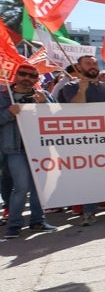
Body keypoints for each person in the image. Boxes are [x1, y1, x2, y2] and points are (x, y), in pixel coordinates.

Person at [58, 55, 105, 225]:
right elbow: (74, 108)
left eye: (94, 63)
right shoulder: (71, 87)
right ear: (79, 67)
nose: (93, 66)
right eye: (88, 64)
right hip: (87, 142)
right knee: (90, 177)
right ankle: (89, 211)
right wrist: (82, 89)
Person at [2, 64, 57, 239]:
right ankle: (14, 224)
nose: (27, 78)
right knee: (21, 186)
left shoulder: (43, 95)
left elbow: (57, 117)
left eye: (32, 75)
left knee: (39, 187)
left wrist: (45, 103)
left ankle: (38, 221)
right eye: (23, 74)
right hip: (15, 148)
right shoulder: (3, 97)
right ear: (16, 75)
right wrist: (8, 113)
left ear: (37, 79)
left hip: (40, 148)